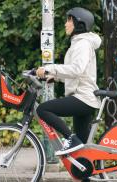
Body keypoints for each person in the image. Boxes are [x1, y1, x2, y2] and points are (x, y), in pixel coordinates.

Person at [36, 7, 101, 156]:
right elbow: (78, 72)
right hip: (85, 99)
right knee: (82, 153)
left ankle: (70, 138)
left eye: (69, 20)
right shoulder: (80, 43)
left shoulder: (82, 44)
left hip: (83, 98)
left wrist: (49, 69)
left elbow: (76, 69)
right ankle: (86, 175)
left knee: (43, 109)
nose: (65, 24)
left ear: (78, 24)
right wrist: (56, 77)